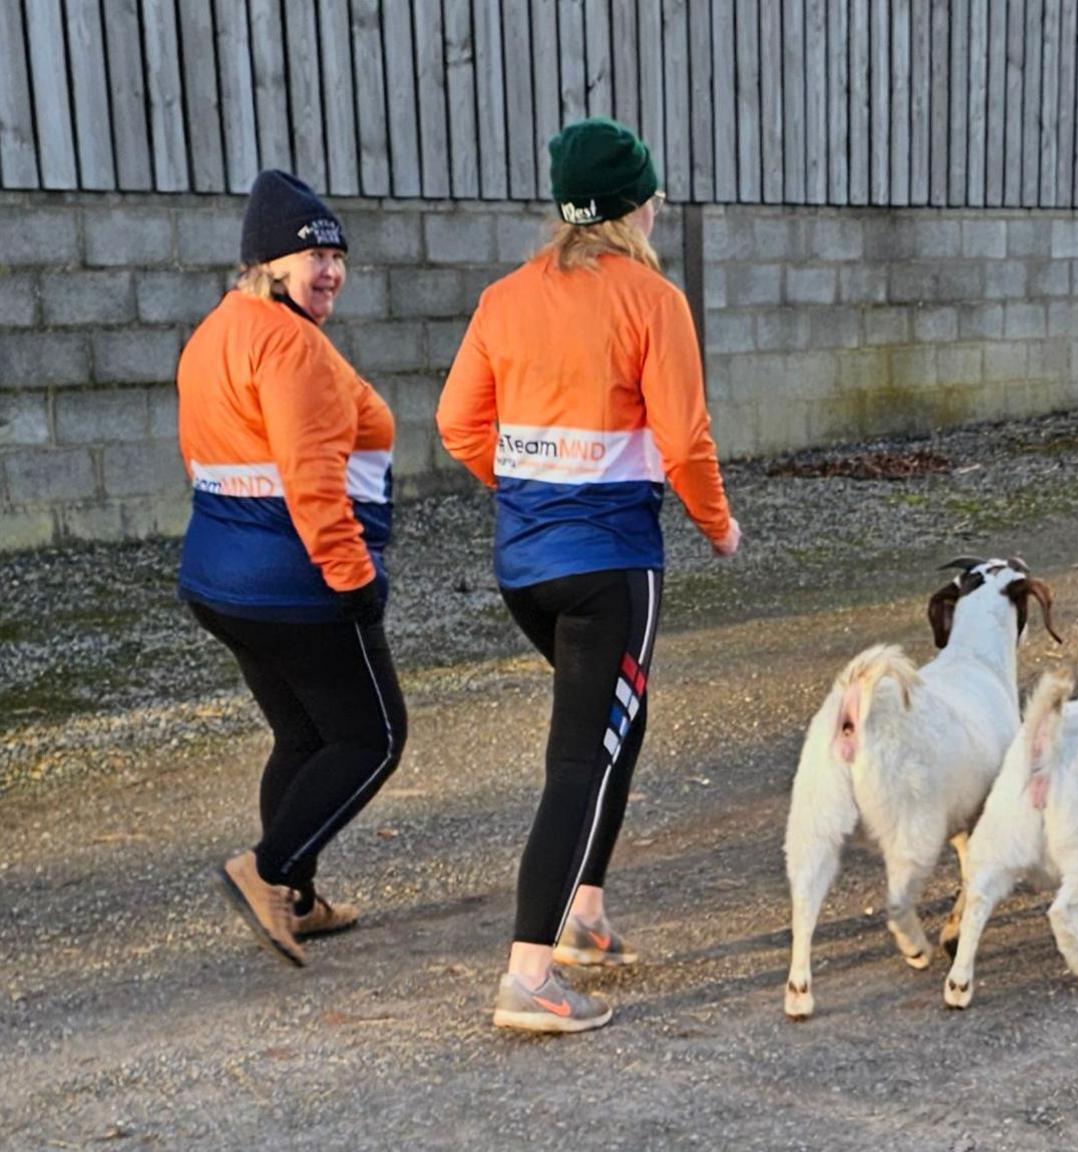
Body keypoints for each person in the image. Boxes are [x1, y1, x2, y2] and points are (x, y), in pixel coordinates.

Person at [438, 118, 740, 1034]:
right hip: (610, 566)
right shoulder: (653, 302)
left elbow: (459, 426)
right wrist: (718, 528)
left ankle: (585, 914)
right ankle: (530, 977)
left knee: (618, 723)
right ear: (634, 206)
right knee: (581, 756)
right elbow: (685, 440)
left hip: (525, 567)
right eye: (653, 194)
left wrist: (533, 497)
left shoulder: (504, 299)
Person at [179, 170, 407, 967]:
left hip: (223, 578)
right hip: (297, 582)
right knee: (374, 736)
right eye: (316, 257)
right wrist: (356, 583)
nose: (332, 271)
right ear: (270, 263)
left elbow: (206, 457)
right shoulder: (291, 347)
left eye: (339, 256)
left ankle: (298, 901)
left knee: (305, 734)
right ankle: (266, 871)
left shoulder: (218, 332)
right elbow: (313, 484)